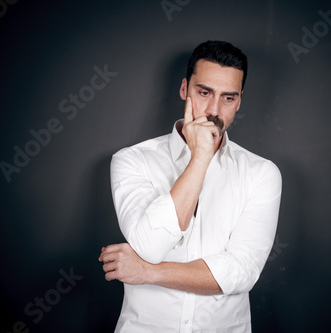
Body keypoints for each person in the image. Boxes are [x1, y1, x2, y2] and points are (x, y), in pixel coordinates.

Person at [99, 40, 282, 332]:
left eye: (228, 98)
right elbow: (150, 246)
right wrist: (199, 159)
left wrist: (146, 272)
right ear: (185, 89)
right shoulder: (132, 161)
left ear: (240, 101)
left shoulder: (261, 173)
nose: (213, 110)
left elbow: (241, 272)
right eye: (204, 92)